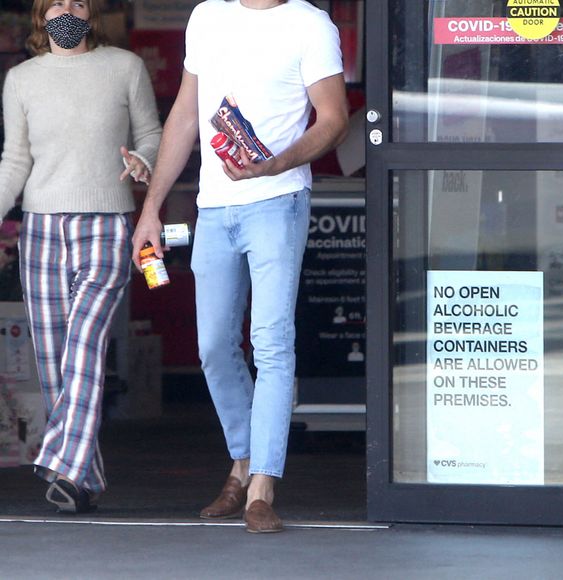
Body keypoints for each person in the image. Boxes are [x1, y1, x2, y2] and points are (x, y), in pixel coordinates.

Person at [132, 0, 348, 533]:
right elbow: (185, 114)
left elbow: (336, 118)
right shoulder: (207, 16)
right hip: (214, 206)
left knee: (272, 341)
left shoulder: (309, 23)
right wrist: (152, 208)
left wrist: (275, 163)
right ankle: (245, 458)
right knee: (212, 346)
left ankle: (260, 487)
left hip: (279, 202)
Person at [0, 0, 162, 513]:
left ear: (90, 13)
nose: (67, 9)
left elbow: (153, 135)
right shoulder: (22, 79)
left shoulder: (124, 68)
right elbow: (16, 158)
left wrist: (145, 161)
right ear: (40, 16)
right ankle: (81, 478)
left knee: (84, 344)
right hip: (42, 227)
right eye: (56, 2)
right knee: (53, 363)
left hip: (106, 223)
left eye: (77, 1)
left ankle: (58, 455)